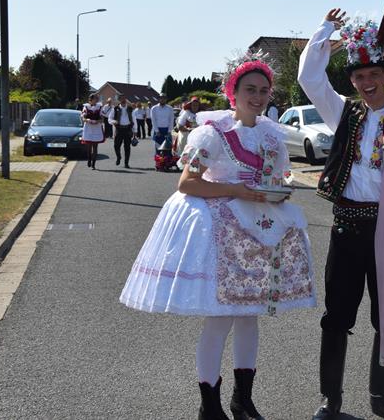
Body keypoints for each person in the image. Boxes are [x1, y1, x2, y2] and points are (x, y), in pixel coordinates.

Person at [120, 51, 316, 420]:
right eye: (249, 89)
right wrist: (238, 191)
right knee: (220, 318)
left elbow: (276, 179)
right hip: (220, 235)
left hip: (259, 235)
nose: (257, 97)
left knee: (250, 318)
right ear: (233, 92)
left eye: (263, 90)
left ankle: (243, 401)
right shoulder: (210, 134)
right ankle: (209, 406)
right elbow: (187, 183)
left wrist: (278, 189)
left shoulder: (273, 137)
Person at [298, 9, 384, 420]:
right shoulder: (343, 112)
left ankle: (383, 400)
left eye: (372, 74)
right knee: (336, 315)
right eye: (358, 77)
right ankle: (331, 401)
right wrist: (325, 31)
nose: (366, 82)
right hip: (346, 225)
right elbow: (310, 78)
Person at [108, 94, 138, 168]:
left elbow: (134, 120)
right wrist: (113, 121)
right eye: (122, 99)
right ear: (119, 100)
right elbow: (109, 119)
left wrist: (135, 130)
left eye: (125, 99)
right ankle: (119, 157)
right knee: (116, 146)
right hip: (119, 129)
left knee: (127, 147)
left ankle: (126, 163)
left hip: (128, 129)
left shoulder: (130, 109)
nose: (124, 100)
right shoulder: (115, 109)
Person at [81, 93, 104, 170]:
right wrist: (87, 120)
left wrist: (98, 121)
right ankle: (89, 159)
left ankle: (94, 163)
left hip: (96, 128)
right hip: (88, 127)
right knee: (88, 147)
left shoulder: (100, 107)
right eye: (94, 99)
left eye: (96, 99)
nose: (96, 100)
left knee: (95, 146)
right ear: (90, 100)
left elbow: (102, 119)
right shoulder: (86, 107)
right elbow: (83, 118)